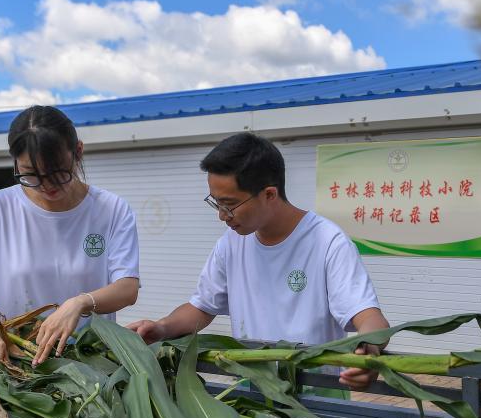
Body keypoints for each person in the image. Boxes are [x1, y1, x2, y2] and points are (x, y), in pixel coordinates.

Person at [127, 132, 389, 391]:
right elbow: (201, 307)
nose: (222, 216)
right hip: (252, 388)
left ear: (270, 194)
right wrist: (162, 327)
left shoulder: (327, 242)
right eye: (216, 203)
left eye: (229, 204)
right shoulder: (231, 243)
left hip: (315, 391)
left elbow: (369, 317)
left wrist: (369, 351)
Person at [0, 105, 140, 365]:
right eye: (30, 174)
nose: (46, 186)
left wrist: (80, 303)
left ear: (78, 153)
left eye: (57, 172)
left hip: (88, 367)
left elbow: (127, 288)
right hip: (11, 364)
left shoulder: (111, 209)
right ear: (15, 162)